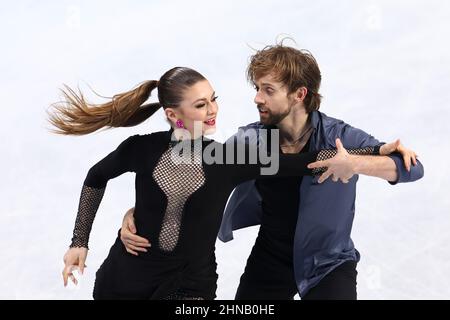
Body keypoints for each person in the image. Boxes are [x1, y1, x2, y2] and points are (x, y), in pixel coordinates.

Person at [120, 45, 424, 300]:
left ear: (298, 94)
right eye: (257, 88)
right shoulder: (249, 140)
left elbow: (411, 168)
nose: (257, 98)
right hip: (270, 260)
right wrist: (142, 213)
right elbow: (197, 177)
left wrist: (354, 163)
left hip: (328, 261)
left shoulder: (339, 137)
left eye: (268, 90)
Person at [51, 66, 383, 300]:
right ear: (172, 114)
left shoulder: (229, 159)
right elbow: (97, 176)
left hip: (190, 287)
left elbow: (303, 162)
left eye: (213, 99)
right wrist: (79, 241)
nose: (213, 110)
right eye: (200, 105)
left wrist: (376, 150)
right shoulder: (141, 149)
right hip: (128, 277)